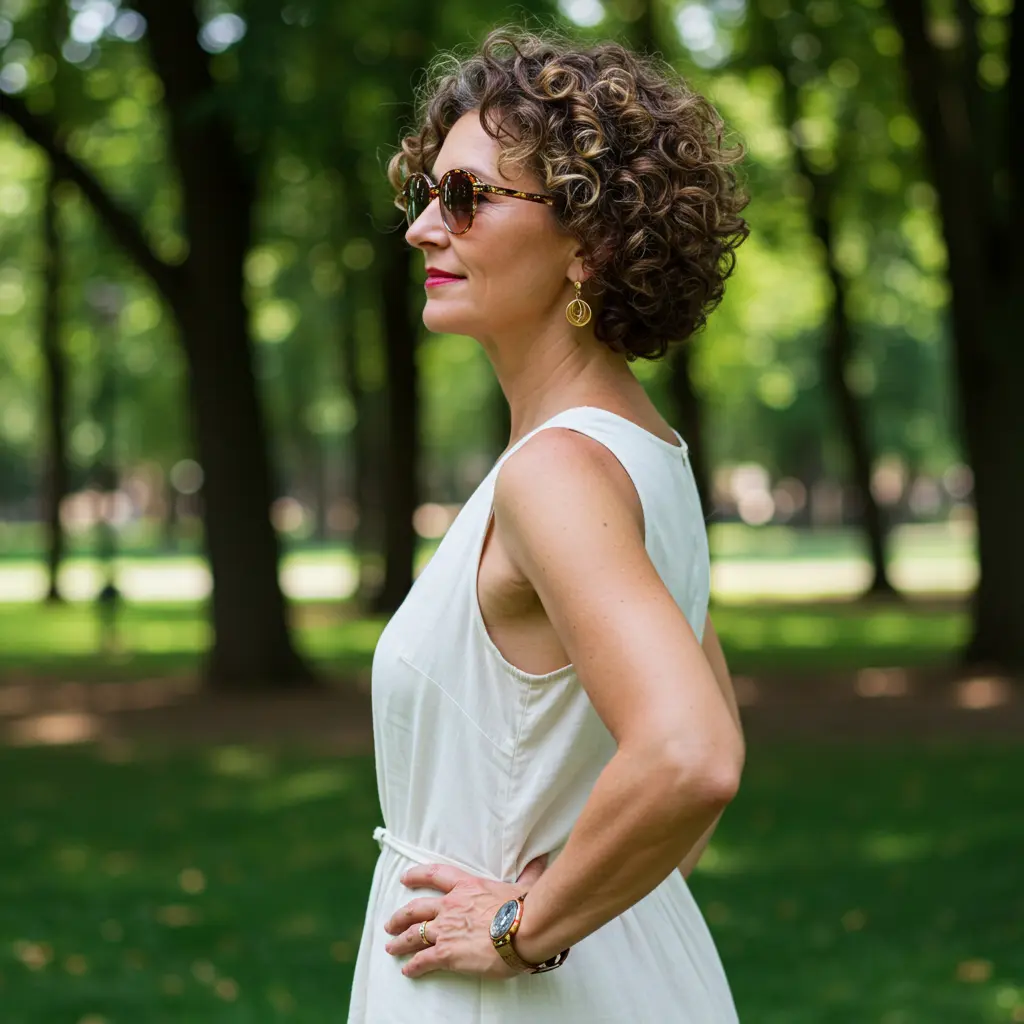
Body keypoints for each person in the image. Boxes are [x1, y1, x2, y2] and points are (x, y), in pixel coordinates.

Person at [348, 25, 750, 1023]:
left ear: (592, 239)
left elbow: (693, 754)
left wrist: (519, 925)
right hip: (620, 962)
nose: (421, 230)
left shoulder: (559, 474)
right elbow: (698, 771)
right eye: (426, 192)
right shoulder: (644, 453)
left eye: (466, 197)